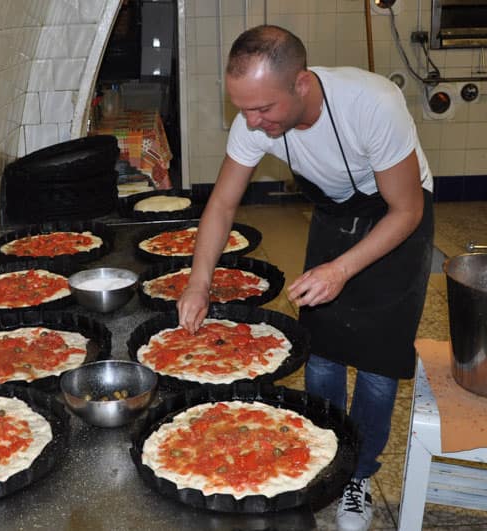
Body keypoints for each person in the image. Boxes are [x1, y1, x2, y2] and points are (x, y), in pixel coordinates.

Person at [176, 25, 434, 531]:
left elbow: (406, 210)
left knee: (378, 360)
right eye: (243, 110)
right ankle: (318, 459)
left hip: (397, 216)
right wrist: (198, 282)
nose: (252, 122)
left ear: (302, 84)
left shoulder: (372, 104)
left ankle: (358, 475)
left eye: (263, 110)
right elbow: (222, 204)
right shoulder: (254, 118)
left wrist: (341, 269)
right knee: (321, 348)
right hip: (335, 213)